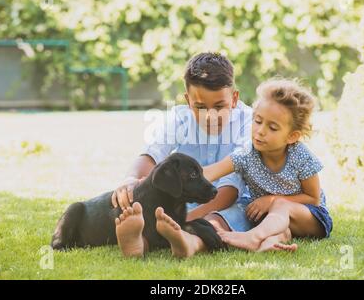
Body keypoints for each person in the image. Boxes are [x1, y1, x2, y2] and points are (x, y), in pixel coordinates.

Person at [111, 52, 253, 258]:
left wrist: (185, 220)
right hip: (181, 201)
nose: (210, 116)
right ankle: (140, 241)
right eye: (200, 107)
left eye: (219, 106)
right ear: (188, 101)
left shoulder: (249, 123)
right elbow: (152, 154)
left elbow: (231, 188)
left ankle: (187, 240)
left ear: (234, 99)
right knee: (153, 210)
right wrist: (131, 179)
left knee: (217, 221)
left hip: (229, 202)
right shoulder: (179, 118)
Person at [203, 78, 333, 252]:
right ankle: (269, 244)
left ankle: (253, 237)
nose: (261, 131)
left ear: (291, 136)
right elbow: (210, 172)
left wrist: (271, 200)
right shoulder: (246, 155)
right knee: (279, 227)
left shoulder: (300, 156)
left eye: (272, 127)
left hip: (310, 218)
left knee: (280, 206)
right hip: (273, 220)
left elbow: (314, 199)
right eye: (257, 121)